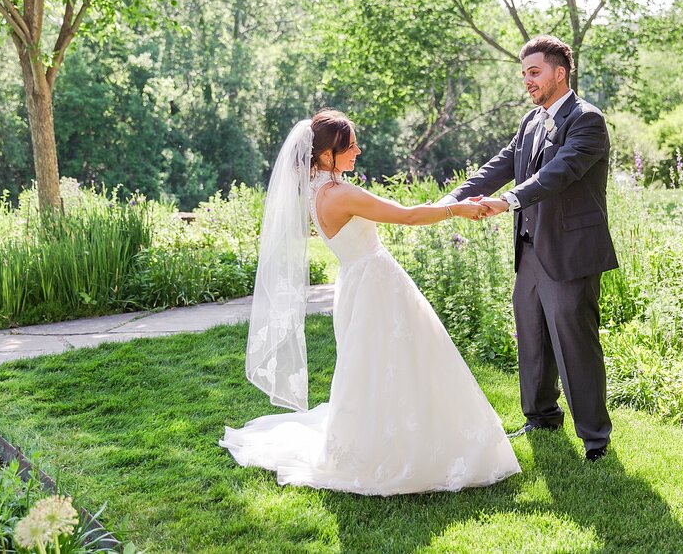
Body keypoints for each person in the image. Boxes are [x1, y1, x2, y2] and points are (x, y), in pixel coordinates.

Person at [220, 109, 520, 495]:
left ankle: (385, 436)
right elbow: (408, 216)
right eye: (350, 146)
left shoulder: (316, 193)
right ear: (326, 155)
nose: (357, 151)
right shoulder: (341, 194)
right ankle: (399, 448)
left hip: (357, 282)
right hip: (377, 286)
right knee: (398, 360)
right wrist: (457, 209)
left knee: (376, 364)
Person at [439, 35, 617, 462]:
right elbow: (500, 165)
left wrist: (508, 201)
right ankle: (541, 415)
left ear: (560, 73)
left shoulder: (587, 120)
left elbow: (560, 172)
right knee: (532, 338)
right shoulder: (530, 122)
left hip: (570, 254)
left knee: (575, 345)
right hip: (531, 250)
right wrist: (450, 200)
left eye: (534, 72)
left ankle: (595, 438)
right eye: (523, 74)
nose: (527, 81)